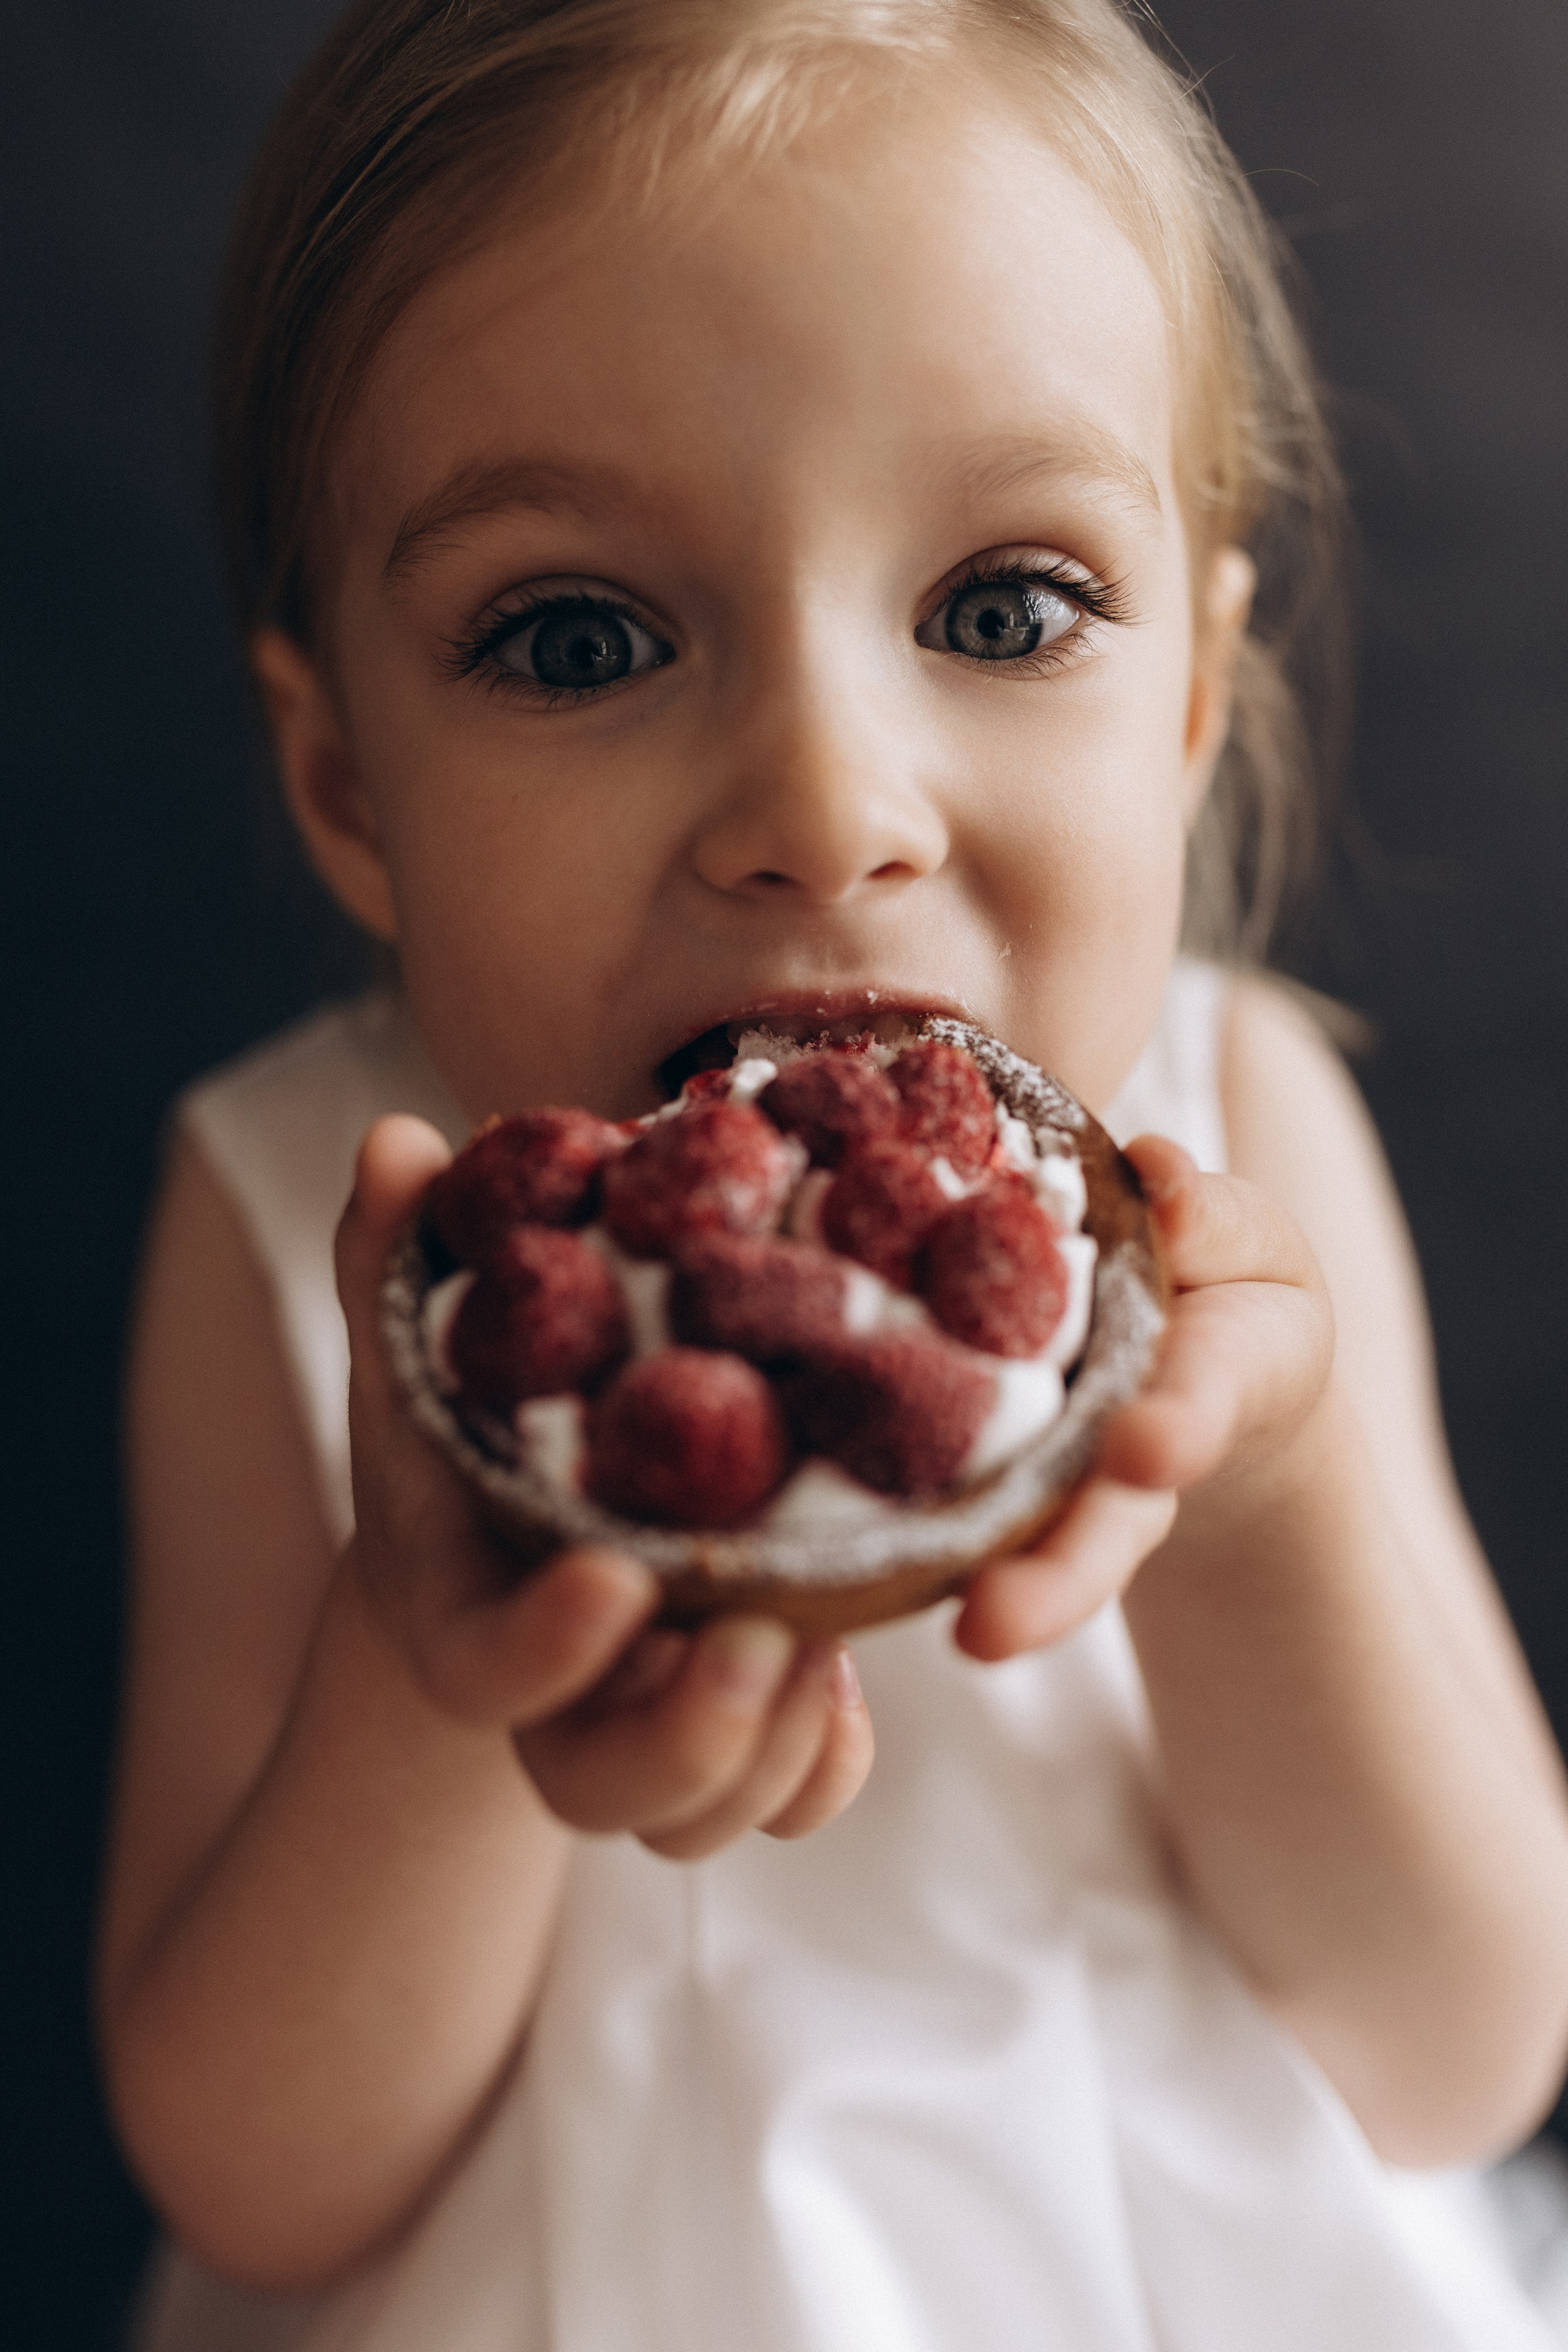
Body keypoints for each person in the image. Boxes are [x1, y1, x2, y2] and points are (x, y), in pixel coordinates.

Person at [97, 2, 1568, 2345]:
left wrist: (1265, 1508)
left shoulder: (1249, 1141)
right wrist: (425, 1671)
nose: (825, 804)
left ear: (1186, 707)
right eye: (580, 635)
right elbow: (257, 2174)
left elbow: (1460, 2055)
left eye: (1001, 609)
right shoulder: (301, 1220)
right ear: (352, 784)